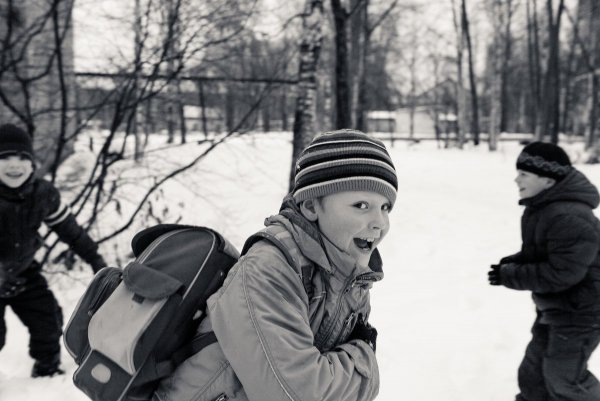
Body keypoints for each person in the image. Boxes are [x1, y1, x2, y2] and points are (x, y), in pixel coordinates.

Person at [153, 129, 397, 401]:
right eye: (361, 205)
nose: (380, 222)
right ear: (311, 207)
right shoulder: (267, 270)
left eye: (385, 207)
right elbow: (299, 395)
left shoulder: (348, 277)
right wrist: (366, 363)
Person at [488, 141, 600, 401]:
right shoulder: (545, 209)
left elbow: (563, 273)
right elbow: (545, 255)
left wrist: (511, 274)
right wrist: (511, 264)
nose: (516, 180)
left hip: (582, 314)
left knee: (565, 378)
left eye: (524, 174)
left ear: (548, 180)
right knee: (534, 373)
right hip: (558, 309)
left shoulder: (569, 216)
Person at [0, 123, 106, 378]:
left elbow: (70, 230)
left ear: (33, 163)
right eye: (4, 158)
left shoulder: (42, 193)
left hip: (23, 272)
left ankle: (46, 370)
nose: (15, 166)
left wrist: (95, 259)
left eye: (22, 158)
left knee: (48, 319)